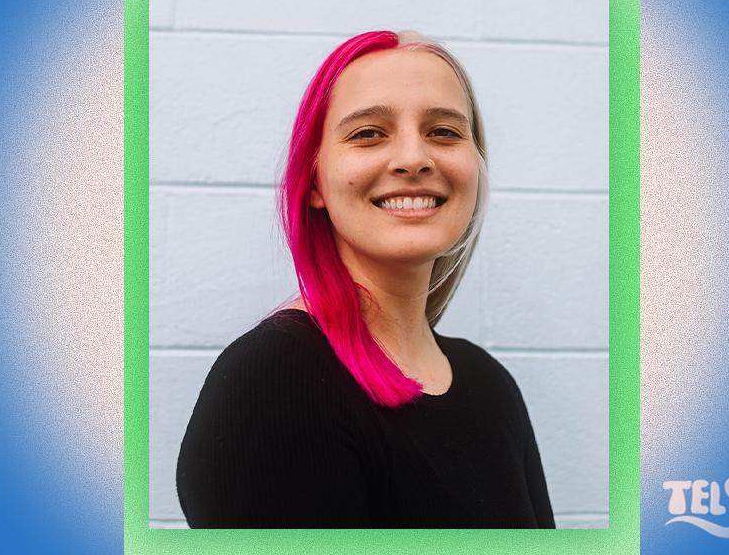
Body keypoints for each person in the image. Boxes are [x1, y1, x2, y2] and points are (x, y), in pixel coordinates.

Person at [176, 30, 555, 528]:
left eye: (444, 131)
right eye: (368, 133)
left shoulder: (491, 385)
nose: (414, 158)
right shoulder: (272, 381)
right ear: (314, 183)